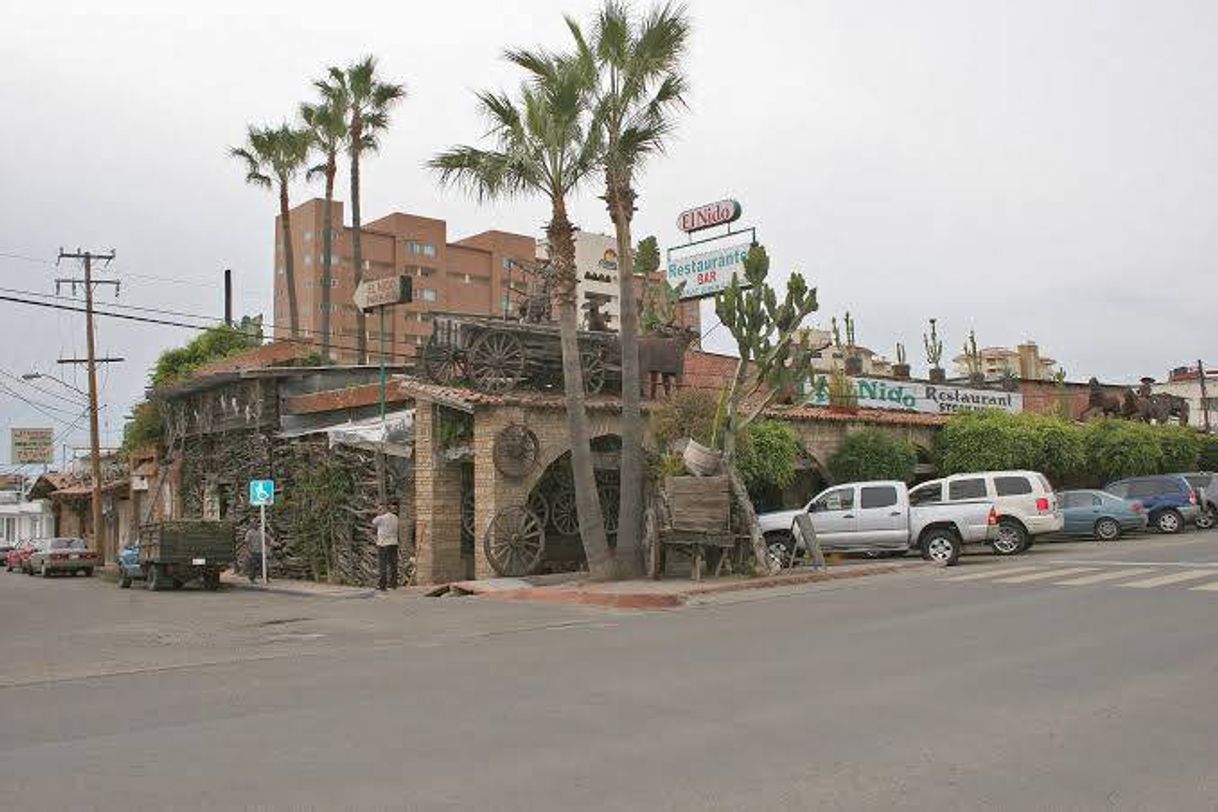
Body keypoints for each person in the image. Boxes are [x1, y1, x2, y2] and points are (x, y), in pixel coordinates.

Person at [371, 503, 400, 591]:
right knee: (393, 564)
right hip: (394, 543)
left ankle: (382, 585)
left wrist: (379, 514)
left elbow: (373, 522)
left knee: (382, 565)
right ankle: (393, 584)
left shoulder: (381, 518)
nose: (378, 511)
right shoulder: (395, 517)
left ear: (384, 509)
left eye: (380, 509)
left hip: (383, 544)